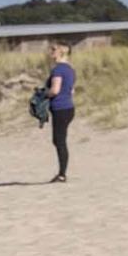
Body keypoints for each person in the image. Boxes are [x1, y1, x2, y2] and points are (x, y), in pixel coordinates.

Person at [45, 42, 76, 183]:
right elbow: (72, 90)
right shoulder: (70, 69)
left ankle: (62, 174)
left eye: (53, 50)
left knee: (59, 140)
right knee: (58, 140)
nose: (51, 52)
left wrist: (45, 94)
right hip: (68, 107)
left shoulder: (58, 70)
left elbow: (55, 90)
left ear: (60, 52)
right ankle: (62, 172)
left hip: (60, 108)